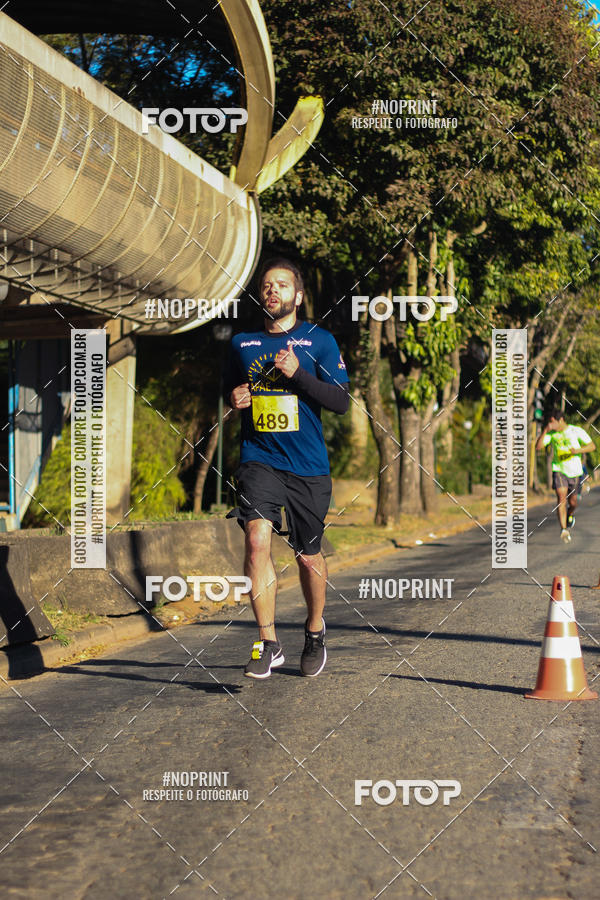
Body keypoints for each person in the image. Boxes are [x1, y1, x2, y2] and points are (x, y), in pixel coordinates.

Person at [224, 258, 350, 678]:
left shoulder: (320, 342)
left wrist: (299, 376)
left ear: (298, 296)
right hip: (259, 459)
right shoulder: (242, 342)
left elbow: (340, 401)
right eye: (266, 284)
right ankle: (268, 641)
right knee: (257, 540)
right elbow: (229, 388)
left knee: (308, 556)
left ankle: (314, 630)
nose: (272, 290)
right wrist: (234, 398)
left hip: (308, 466)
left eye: (281, 284)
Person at [535, 408, 595, 543]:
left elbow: (592, 446)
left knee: (573, 502)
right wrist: (545, 431)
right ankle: (563, 529)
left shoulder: (575, 430)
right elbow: (538, 447)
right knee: (561, 498)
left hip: (575, 472)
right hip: (559, 470)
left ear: (560, 420)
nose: (551, 425)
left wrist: (577, 450)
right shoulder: (551, 434)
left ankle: (570, 513)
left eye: (552, 422)